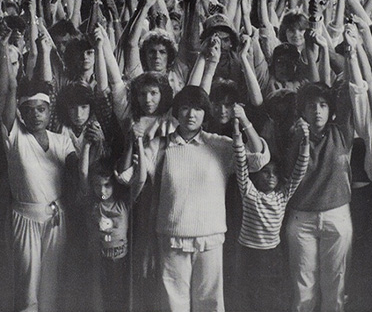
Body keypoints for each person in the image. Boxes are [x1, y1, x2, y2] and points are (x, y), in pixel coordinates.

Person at [129, 85, 270, 311]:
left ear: (206, 113)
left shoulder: (220, 145)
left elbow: (258, 159)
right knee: (173, 305)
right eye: (185, 108)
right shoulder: (159, 146)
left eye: (197, 109)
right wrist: (134, 139)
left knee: (210, 304)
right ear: (176, 112)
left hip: (211, 237)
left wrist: (245, 121)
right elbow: (130, 178)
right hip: (171, 237)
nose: (191, 115)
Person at [0, 36, 77, 312]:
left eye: (41, 110)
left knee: (51, 288)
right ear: (21, 113)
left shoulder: (63, 140)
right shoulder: (14, 137)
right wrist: (4, 52)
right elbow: (9, 89)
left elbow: (78, 175)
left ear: (49, 111)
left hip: (56, 218)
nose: (36, 115)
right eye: (29, 111)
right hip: (25, 219)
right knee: (27, 290)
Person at [286, 78, 354, 311]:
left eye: (323, 105)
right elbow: (288, 173)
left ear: (331, 110)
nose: (317, 111)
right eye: (311, 106)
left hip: (337, 215)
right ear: (303, 110)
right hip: (301, 218)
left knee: (335, 286)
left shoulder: (341, 132)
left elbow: (349, 95)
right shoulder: (294, 135)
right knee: (303, 288)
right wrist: (298, 140)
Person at [232, 116, 310, 311]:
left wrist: (305, 143)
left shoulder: (282, 196)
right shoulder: (249, 192)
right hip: (247, 252)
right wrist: (236, 133)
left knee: (271, 298)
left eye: (275, 173)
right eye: (266, 172)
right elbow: (241, 163)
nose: (271, 177)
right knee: (246, 297)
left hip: (272, 254)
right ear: (257, 174)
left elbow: (299, 170)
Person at [79, 137, 146, 312]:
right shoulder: (92, 203)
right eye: (97, 185)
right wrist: (86, 145)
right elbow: (83, 174)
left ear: (114, 185)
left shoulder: (123, 204)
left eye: (107, 185)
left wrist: (139, 144)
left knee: (118, 300)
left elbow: (140, 180)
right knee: (97, 301)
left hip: (119, 262)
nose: (102, 191)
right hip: (97, 261)